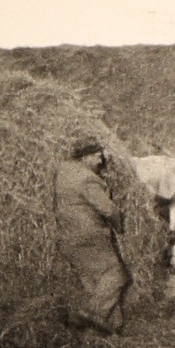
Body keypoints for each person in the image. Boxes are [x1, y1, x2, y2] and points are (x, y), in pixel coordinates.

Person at [53, 139, 131, 333]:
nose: (100, 162)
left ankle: (111, 329)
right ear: (86, 156)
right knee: (118, 275)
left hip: (67, 237)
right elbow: (108, 210)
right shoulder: (87, 179)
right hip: (88, 236)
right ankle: (88, 314)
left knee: (97, 283)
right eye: (97, 157)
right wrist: (120, 226)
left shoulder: (64, 171)